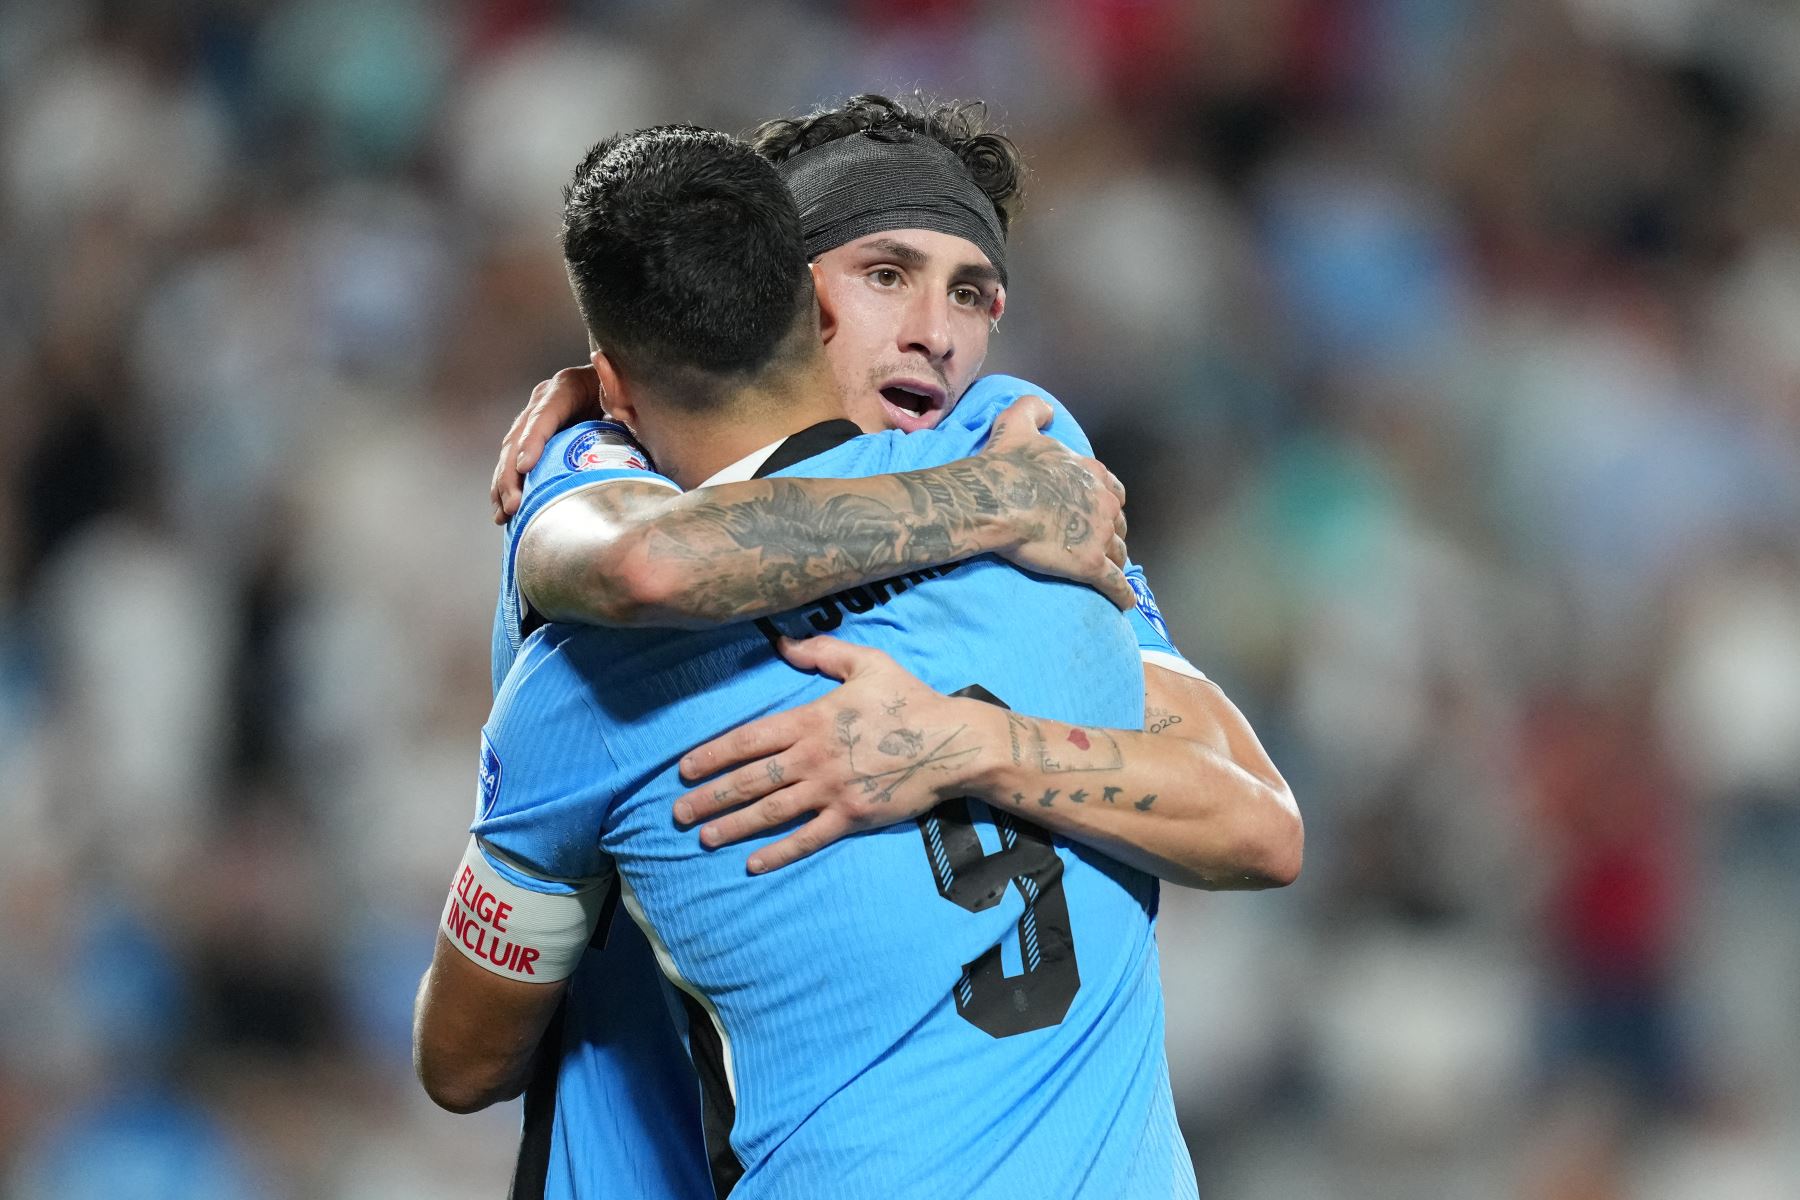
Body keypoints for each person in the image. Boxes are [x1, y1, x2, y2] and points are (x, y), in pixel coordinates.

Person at [459, 96, 1300, 1197]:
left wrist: (973, 745)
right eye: (886, 273)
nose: (935, 334)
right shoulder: (605, 472)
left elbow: (1257, 821)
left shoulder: (1029, 457)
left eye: (970, 292)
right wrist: (600, 388)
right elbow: (642, 562)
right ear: (778, 293)